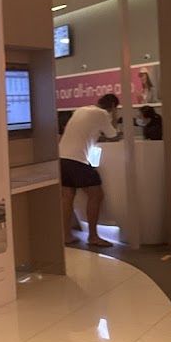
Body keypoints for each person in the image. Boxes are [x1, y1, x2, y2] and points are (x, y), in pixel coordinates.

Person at [59, 94, 122, 248]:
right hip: (78, 160)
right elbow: (113, 135)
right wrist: (114, 116)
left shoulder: (81, 110)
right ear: (113, 106)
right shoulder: (102, 114)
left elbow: (86, 134)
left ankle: (65, 235)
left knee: (67, 197)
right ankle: (93, 236)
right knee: (96, 194)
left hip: (62, 158)